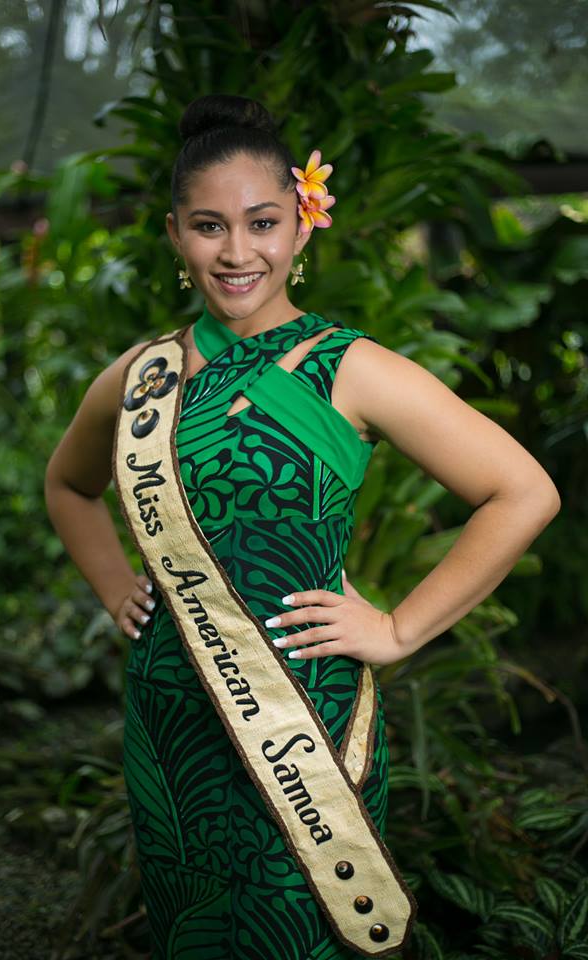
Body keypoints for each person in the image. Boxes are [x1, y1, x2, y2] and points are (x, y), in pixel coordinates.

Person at [44, 93, 561, 959]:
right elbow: (67, 483)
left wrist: (398, 628)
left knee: (306, 930)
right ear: (175, 234)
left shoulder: (350, 368)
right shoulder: (140, 377)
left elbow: (522, 491)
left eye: (262, 222)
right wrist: (113, 588)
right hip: (172, 717)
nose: (238, 252)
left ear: (303, 225)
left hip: (306, 720)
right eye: (209, 226)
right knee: (195, 929)